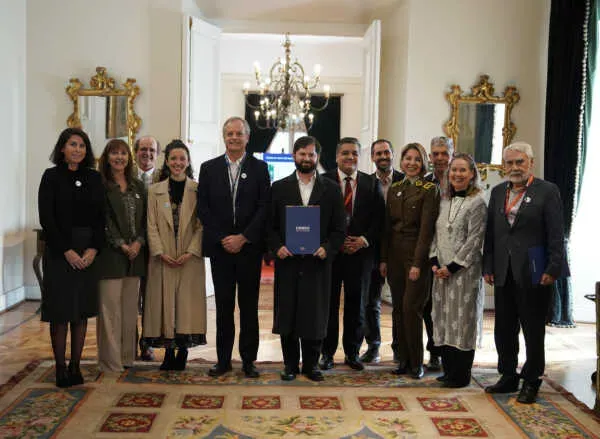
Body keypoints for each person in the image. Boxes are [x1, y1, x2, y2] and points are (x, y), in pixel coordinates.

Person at [483, 141, 565, 404]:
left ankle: (532, 380)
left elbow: (556, 233)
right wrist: (488, 266)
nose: (514, 167)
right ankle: (508, 375)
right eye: (509, 163)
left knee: (532, 330)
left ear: (531, 163)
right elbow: (492, 233)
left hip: (534, 269)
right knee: (504, 329)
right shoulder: (497, 192)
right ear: (503, 165)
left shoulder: (547, 191)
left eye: (519, 162)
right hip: (503, 271)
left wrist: (553, 268)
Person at [267, 136, 345, 381]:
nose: (306, 159)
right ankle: (290, 365)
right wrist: (277, 246)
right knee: (288, 314)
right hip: (288, 262)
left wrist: (327, 248)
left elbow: (339, 228)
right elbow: (269, 227)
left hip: (317, 263)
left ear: (317, 158)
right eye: (302, 154)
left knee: (315, 314)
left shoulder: (331, 189)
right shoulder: (278, 188)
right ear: (294, 155)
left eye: (311, 155)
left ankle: (311, 365)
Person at [197, 117, 270, 378]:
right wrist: (223, 238)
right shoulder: (209, 168)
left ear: (247, 137)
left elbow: (264, 207)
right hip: (221, 250)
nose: (234, 138)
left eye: (239, 133)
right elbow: (203, 209)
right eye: (229, 133)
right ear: (223, 137)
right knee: (224, 308)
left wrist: (243, 237)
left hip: (249, 250)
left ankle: (249, 361)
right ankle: (224, 361)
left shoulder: (260, 168)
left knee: (249, 308)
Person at [38, 127, 105, 387]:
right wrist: (66, 250)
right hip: (59, 251)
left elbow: (101, 218)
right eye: (72, 144)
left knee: (81, 312)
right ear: (62, 148)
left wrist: (92, 250)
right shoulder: (51, 176)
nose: (77, 149)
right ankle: (60, 368)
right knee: (60, 312)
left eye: (82, 145)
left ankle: (76, 366)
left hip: (87, 251)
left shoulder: (94, 178)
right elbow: (47, 218)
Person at [319, 137, 384, 371]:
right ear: (337, 156)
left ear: (360, 156)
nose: (350, 157)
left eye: (354, 153)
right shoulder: (323, 180)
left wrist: (363, 240)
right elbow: (319, 218)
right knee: (329, 305)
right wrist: (333, 243)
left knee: (357, 306)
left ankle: (352, 353)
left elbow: (379, 220)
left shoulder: (370, 183)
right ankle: (326, 353)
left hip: (361, 255)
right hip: (331, 255)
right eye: (345, 153)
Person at [143, 140, 207, 371]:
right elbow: (150, 225)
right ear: (167, 161)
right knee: (165, 304)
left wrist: (191, 251)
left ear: (188, 162)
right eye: (173, 159)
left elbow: (202, 225)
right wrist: (160, 251)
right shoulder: (154, 190)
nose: (178, 163)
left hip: (190, 257)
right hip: (163, 257)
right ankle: (169, 352)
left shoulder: (198, 190)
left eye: (182, 159)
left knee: (186, 305)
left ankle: (183, 352)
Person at [380, 142, 440, 379]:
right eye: (407, 158)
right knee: (397, 309)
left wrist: (417, 263)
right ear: (401, 162)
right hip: (394, 256)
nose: (412, 163)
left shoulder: (429, 189)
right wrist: (383, 259)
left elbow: (426, 231)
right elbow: (387, 228)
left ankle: (417, 363)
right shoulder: (395, 188)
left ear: (423, 162)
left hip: (416, 257)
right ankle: (403, 360)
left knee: (411, 309)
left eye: (417, 159)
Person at [430, 153, 486, 387]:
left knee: (462, 321)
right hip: (440, 273)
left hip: (464, 273)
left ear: (472, 174)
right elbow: (436, 235)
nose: (457, 174)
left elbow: (475, 240)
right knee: (443, 319)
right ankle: (448, 369)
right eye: (454, 170)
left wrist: (452, 267)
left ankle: (461, 375)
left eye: (463, 170)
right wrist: (435, 263)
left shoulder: (478, 202)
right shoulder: (444, 200)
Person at [96, 139, 147, 372]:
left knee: (129, 311)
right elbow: (102, 220)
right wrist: (120, 244)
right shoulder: (101, 186)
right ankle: (110, 361)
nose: (119, 157)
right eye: (114, 153)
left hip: (135, 257)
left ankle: (127, 358)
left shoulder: (138, 186)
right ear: (106, 158)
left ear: (129, 158)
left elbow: (147, 219)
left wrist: (138, 242)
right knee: (110, 311)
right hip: (111, 256)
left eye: (123, 153)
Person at [361, 139, 404, 364]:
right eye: (378, 153)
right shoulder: (365, 183)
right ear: (372, 158)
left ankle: (399, 348)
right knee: (371, 302)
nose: (383, 156)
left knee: (400, 302)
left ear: (392, 154)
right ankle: (373, 346)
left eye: (387, 152)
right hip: (373, 251)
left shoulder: (405, 180)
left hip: (400, 251)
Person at [423, 136, 453, 371]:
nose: (440, 157)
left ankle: (452, 351)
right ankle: (434, 350)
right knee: (430, 307)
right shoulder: (424, 183)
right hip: (429, 254)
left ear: (451, 154)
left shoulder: (461, 180)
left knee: (451, 307)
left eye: (444, 153)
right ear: (430, 157)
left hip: (454, 255)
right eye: (436, 154)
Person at [134, 135, 160, 361]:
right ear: (136, 152)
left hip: (154, 249)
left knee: (150, 299)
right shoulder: (125, 177)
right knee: (130, 299)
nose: (147, 154)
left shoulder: (163, 179)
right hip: (131, 249)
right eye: (143, 149)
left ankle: (147, 343)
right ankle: (128, 342)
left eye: (152, 150)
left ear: (157, 154)